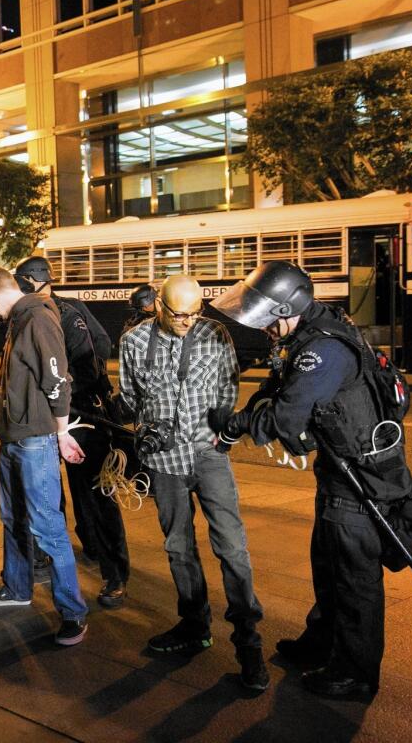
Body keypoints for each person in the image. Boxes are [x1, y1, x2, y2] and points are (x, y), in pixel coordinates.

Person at [209, 260, 412, 699]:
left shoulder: (324, 351)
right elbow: (278, 386)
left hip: (361, 480)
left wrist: (236, 424)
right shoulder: (309, 331)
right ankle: (320, 644)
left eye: (268, 318)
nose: (263, 327)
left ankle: (355, 674)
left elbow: (283, 419)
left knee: (353, 579)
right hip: (339, 472)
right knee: (328, 564)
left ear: (287, 309)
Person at [117, 274, 268, 692]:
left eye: (194, 313)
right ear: (159, 307)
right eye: (179, 314)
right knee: (178, 547)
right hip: (164, 460)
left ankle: (248, 643)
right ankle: (193, 625)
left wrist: (223, 432)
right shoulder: (133, 342)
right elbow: (129, 397)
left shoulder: (214, 333)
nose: (187, 322)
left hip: (208, 454)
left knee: (232, 549)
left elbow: (228, 386)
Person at [0, 265, 89, 646]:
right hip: (16, 438)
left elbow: (57, 379)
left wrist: (62, 432)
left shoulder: (36, 319)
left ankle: (73, 613)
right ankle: (17, 588)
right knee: (13, 517)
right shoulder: (22, 319)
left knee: (47, 527)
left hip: (35, 440)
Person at [13, 255, 130, 608]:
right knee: (52, 494)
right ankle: (75, 551)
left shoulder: (61, 313)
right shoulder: (46, 311)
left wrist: (63, 390)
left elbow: (90, 358)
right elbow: (103, 344)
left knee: (93, 493)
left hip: (79, 414)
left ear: (30, 282)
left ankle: (113, 572)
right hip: (54, 415)